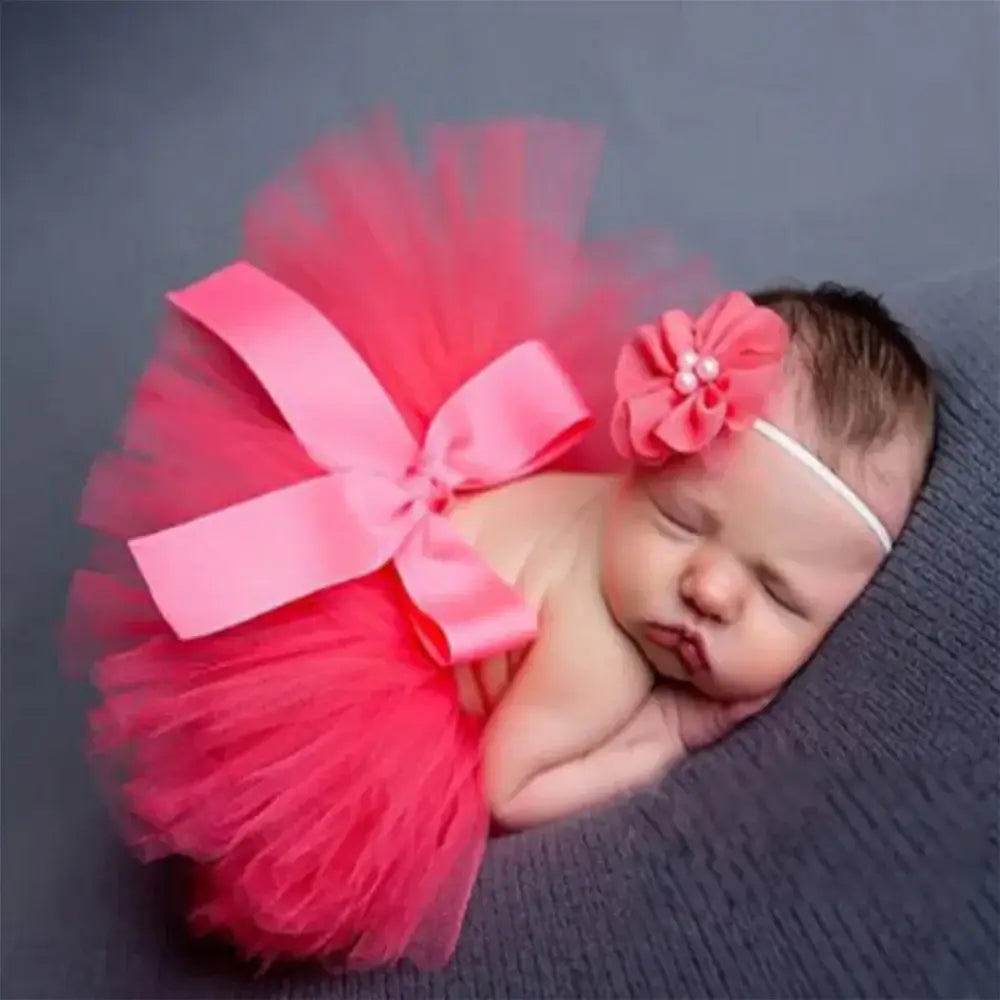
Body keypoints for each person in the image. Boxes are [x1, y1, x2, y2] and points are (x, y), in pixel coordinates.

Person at [65, 113, 935, 969]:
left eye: (780, 593)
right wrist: (665, 733)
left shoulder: (631, 542)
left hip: (402, 540)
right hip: (365, 665)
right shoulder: (604, 660)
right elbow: (507, 788)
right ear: (641, 459)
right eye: (681, 521)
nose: (709, 589)